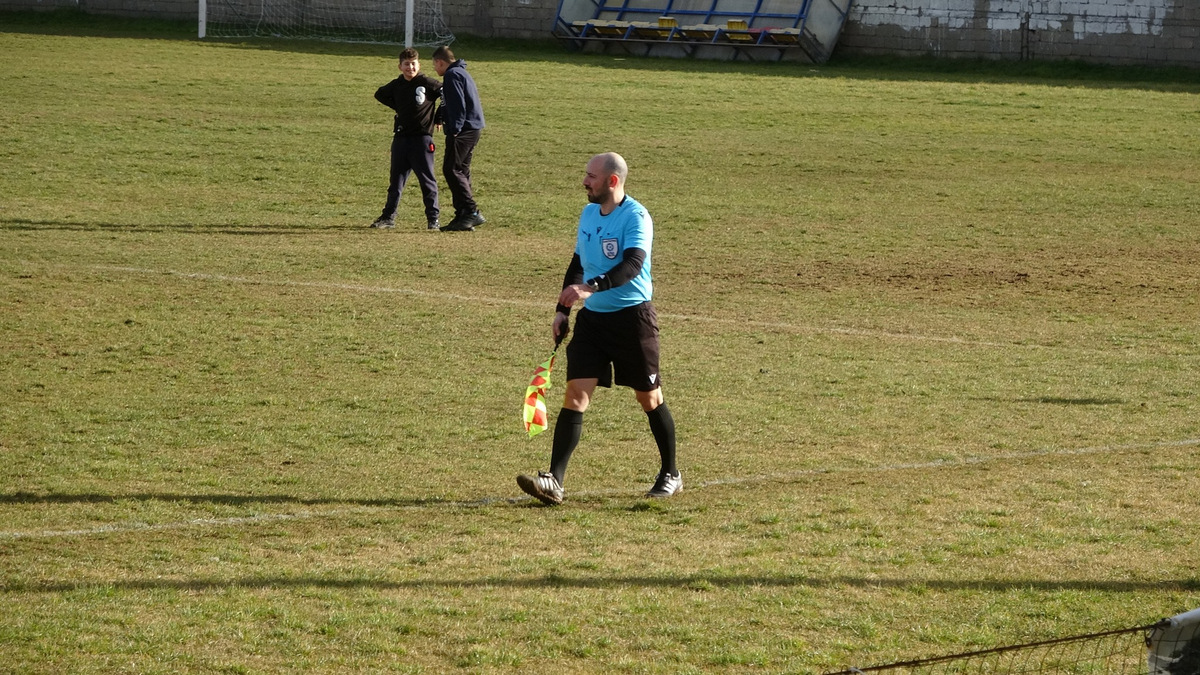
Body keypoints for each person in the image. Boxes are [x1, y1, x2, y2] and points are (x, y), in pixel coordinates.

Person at [517, 152, 680, 506]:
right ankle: (554, 481)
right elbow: (579, 261)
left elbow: (633, 264)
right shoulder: (589, 213)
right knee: (575, 395)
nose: (584, 181)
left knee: (649, 398)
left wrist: (591, 287)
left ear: (612, 181)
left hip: (633, 320)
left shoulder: (636, 217)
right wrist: (563, 310)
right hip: (593, 321)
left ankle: (671, 473)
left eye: (591, 176)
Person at [372, 47, 442, 231]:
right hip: (401, 139)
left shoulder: (427, 82)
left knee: (427, 180)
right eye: (406, 64)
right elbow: (379, 94)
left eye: (413, 64)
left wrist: (439, 116)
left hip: (422, 139)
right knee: (396, 181)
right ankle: (388, 217)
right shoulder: (397, 84)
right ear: (400, 66)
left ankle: (433, 218)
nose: (410, 68)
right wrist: (398, 106)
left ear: (419, 65)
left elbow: (446, 94)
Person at [431, 46, 486, 232]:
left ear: (440, 62)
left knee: (451, 169)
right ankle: (463, 215)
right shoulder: (461, 72)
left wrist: (455, 129)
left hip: (463, 129)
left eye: (434, 65)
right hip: (472, 128)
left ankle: (471, 211)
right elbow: (449, 101)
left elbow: (458, 105)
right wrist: (440, 116)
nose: (435, 69)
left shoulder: (452, 75)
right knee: (461, 170)